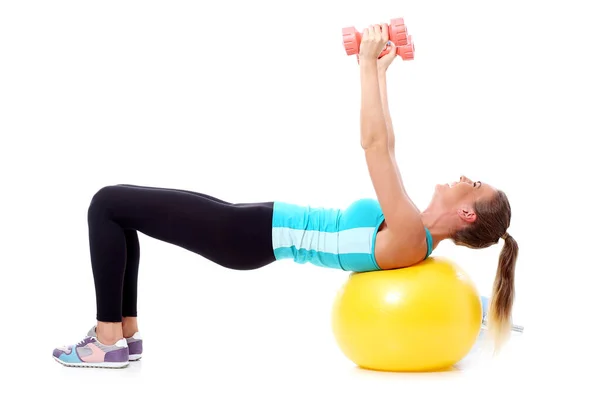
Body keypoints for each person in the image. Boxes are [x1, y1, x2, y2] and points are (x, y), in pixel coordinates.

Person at [52, 24, 518, 368]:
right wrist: (375, 68)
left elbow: (375, 146)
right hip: (246, 228)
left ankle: (106, 341)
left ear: (466, 214)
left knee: (107, 203)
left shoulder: (413, 235)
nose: (464, 177)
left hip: (243, 235)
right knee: (121, 211)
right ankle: (124, 336)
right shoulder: (412, 227)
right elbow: (388, 145)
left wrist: (365, 70)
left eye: (474, 185)